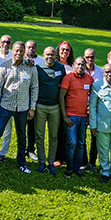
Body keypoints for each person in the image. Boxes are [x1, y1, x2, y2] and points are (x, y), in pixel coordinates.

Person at [0, 41, 39, 174]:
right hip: (5, 106)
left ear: (24, 52)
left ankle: (22, 163)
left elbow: (34, 88)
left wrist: (32, 108)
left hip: (23, 107)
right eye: (16, 50)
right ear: (12, 51)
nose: (18, 53)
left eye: (21, 51)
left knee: (21, 136)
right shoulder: (4, 66)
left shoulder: (31, 68)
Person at [58, 57, 94, 178]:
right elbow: (61, 96)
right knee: (72, 143)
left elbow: (92, 97)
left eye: (82, 65)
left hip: (83, 117)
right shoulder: (68, 78)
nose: (80, 67)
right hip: (71, 116)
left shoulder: (89, 79)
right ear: (74, 65)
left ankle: (77, 169)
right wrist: (65, 116)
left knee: (81, 143)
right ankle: (69, 169)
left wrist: (89, 115)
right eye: (78, 64)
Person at [34, 46, 64, 175]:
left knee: (53, 136)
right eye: (47, 54)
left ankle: (51, 162)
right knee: (39, 135)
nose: (49, 57)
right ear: (44, 55)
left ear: (55, 56)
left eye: (52, 54)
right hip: (40, 106)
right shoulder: (38, 68)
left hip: (55, 107)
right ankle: (42, 162)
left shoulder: (60, 68)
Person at [82, 48, 104, 171]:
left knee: (95, 136)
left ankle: (92, 162)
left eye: (92, 57)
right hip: (82, 108)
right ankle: (84, 161)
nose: (89, 59)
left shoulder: (100, 72)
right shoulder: (80, 70)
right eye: (87, 57)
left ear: (95, 57)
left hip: (97, 109)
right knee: (82, 135)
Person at [54, 41, 75, 168]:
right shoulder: (54, 64)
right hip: (55, 100)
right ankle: (57, 157)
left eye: (67, 50)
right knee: (57, 130)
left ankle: (66, 156)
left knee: (66, 130)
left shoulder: (72, 67)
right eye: (62, 49)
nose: (64, 52)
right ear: (58, 50)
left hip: (69, 101)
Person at [24, 39, 44, 160]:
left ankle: (31, 149)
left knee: (32, 126)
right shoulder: (20, 58)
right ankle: (21, 149)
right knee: (21, 126)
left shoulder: (41, 61)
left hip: (34, 98)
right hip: (21, 98)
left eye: (33, 47)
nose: (31, 49)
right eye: (29, 47)